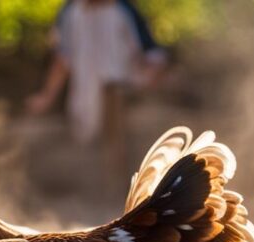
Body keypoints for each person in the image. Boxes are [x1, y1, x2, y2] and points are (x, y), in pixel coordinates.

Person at [27, 0, 167, 196]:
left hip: (123, 95)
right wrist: (46, 97)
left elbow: (154, 55)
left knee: (115, 132)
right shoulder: (71, 11)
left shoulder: (124, 9)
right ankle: (94, 194)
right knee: (86, 145)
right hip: (84, 95)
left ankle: (118, 191)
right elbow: (62, 58)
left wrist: (147, 84)